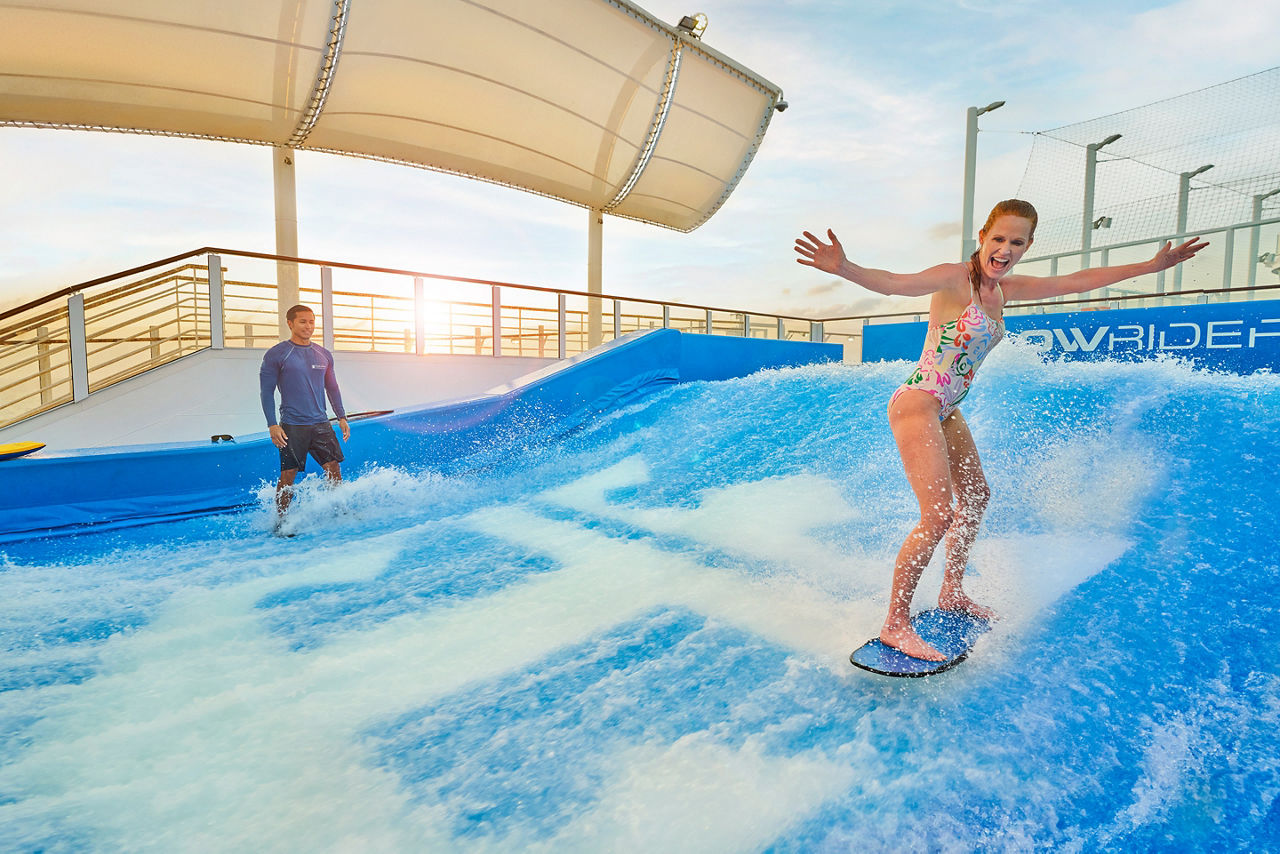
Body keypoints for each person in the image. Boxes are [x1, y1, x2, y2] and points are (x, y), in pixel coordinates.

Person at [795, 199, 1206, 660]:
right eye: (999, 239)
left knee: (977, 496)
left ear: (1027, 246)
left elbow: (1076, 281)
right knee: (938, 515)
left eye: (1017, 242)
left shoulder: (1004, 290)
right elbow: (894, 284)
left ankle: (951, 590)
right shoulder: (956, 277)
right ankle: (895, 623)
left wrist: (1152, 266)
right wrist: (845, 267)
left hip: (947, 408)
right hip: (918, 403)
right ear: (982, 239)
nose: (1005, 249)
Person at [259, 304, 350, 520]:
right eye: (302, 321)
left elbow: (333, 388)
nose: (308, 326)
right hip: (293, 425)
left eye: (311, 321)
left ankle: (337, 512)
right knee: (288, 475)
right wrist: (272, 424)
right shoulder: (277, 354)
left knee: (333, 469)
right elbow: (266, 392)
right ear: (290, 323)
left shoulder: (323, 354)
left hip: (321, 423)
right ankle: (281, 521)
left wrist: (342, 417)